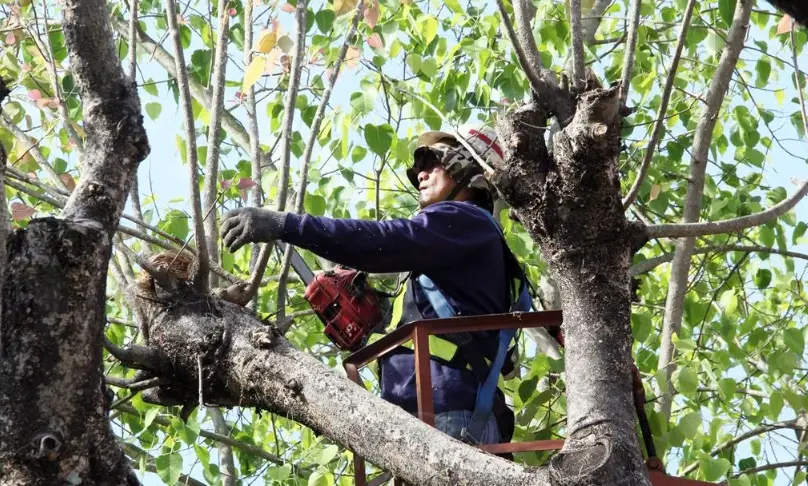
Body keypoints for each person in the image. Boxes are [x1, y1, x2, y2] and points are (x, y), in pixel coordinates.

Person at [220, 124, 531, 446]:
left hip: (450, 414)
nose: (420, 174)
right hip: (430, 415)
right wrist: (379, 322)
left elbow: (384, 242)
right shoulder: (458, 245)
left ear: (466, 167)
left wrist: (286, 224)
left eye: (430, 161)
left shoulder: (465, 219)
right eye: (417, 168)